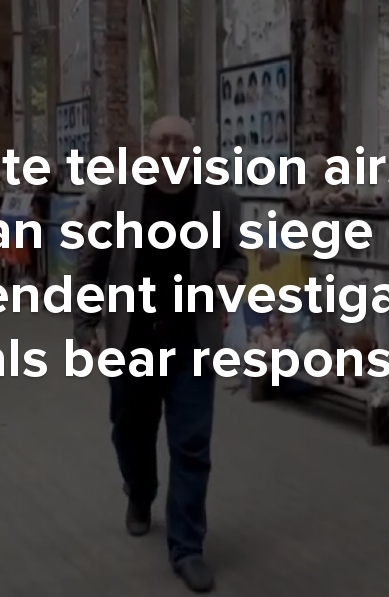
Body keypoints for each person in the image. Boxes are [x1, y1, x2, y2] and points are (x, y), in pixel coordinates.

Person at [74, 115, 248, 594]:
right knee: (129, 431)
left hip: (192, 341)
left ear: (195, 149)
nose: (171, 149)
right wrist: (84, 323)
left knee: (191, 444)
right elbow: (92, 263)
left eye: (181, 142)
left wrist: (232, 276)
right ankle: (140, 490)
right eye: (162, 141)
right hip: (132, 339)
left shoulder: (221, 199)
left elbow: (237, 257)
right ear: (146, 147)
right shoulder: (117, 195)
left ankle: (187, 548)